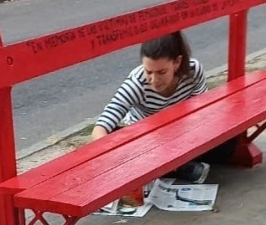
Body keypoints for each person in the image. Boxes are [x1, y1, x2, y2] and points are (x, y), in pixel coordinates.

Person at [91, 31, 237, 184]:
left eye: (161, 72)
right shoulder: (136, 84)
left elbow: (202, 110)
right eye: (148, 71)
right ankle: (177, 165)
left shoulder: (193, 71)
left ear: (177, 62)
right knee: (116, 138)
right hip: (146, 140)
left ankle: (171, 166)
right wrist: (109, 158)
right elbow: (101, 127)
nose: (154, 80)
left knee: (228, 141)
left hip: (181, 131)